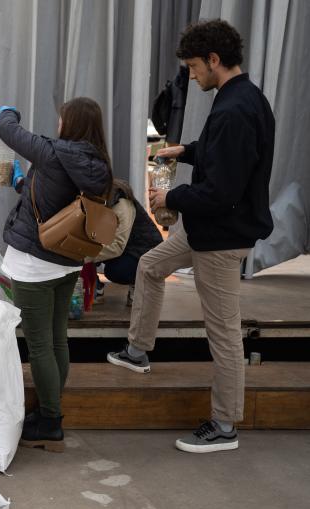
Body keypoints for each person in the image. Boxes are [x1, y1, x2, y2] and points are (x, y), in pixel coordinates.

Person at [106, 19, 275, 454]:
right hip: (204, 229)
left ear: (214, 61)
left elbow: (222, 191)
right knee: (149, 266)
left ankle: (224, 425)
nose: (192, 75)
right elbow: (223, 155)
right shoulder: (239, 98)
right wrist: (187, 151)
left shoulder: (237, 109)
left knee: (223, 333)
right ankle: (138, 352)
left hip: (220, 237)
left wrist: (171, 194)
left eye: (195, 67)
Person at [0, 97, 113, 452]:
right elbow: (58, 196)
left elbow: (6, 128)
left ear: (71, 123)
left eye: (62, 119)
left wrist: (8, 111)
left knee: (40, 344)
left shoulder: (54, 152)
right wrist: (22, 184)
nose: (58, 124)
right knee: (57, 337)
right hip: (68, 260)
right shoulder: (98, 162)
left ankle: (50, 420)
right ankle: (52, 408)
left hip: (34, 265)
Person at [92, 178, 163, 306]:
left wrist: (84, 257)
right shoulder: (102, 200)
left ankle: (138, 284)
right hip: (127, 248)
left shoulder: (122, 205)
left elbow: (117, 246)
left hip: (143, 252)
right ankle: (95, 286)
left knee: (116, 271)